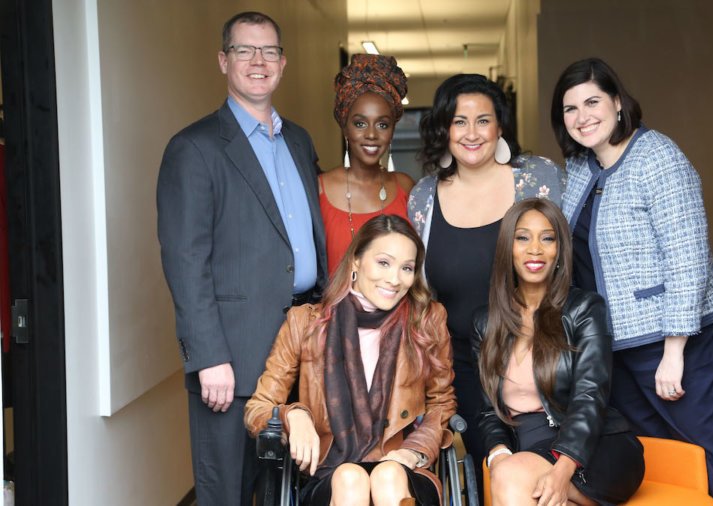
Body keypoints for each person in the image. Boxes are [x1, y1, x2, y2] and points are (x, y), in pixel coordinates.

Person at [551, 57, 713, 505]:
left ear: (618, 103)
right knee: (656, 463)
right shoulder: (581, 168)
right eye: (570, 109)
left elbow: (689, 257)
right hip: (614, 348)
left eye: (592, 102)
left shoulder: (658, 157)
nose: (582, 117)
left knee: (709, 459)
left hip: (674, 345)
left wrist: (674, 350)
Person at [157, 11, 327, 505]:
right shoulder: (194, 147)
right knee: (227, 492)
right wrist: (209, 356)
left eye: (269, 51)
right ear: (223, 61)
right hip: (231, 362)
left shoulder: (299, 140)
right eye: (244, 50)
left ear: (283, 62)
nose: (258, 61)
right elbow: (186, 260)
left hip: (301, 351)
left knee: (290, 491)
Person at [407, 74, 565, 484]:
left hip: (536, 357)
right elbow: (420, 289)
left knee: (546, 473)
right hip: (464, 367)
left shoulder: (539, 178)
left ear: (500, 127)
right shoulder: (423, 196)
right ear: (444, 128)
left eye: (483, 120)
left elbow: (565, 262)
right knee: (489, 470)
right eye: (459, 121)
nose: (471, 133)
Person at [244, 215, 456, 505]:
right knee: (350, 478)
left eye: (406, 268)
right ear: (356, 261)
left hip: (405, 468)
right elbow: (257, 408)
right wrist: (293, 415)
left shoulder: (427, 320)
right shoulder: (305, 323)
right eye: (383, 262)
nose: (395, 279)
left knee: (387, 475)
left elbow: (441, 404)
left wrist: (413, 451)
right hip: (332, 476)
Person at [473, 198, 645, 505]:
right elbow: (489, 410)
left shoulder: (584, 309)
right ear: (506, 249)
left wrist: (563, 469)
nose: (535, 249)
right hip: (527, 448)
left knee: (512, 479)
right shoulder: (485, 323)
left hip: (594, 448)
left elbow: (590, 394)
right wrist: (498, 453)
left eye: (547, 238)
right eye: (522, 237)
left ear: (559, 251)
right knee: (509, 475)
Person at [320, 54, 415, 275]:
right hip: (335, 310)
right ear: (345, 127)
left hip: (401, 309)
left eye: (382, 124)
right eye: (360, 123)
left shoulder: (406, 187)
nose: (371, 134)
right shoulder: (319, 189)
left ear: (392, 131)